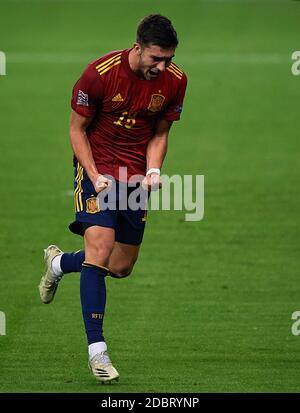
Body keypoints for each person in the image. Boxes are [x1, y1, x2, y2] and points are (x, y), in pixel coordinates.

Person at [38, 14, 187, 383]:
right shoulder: (99, 74)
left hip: (134, 177)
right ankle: (98, 352)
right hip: (97, 170)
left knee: (120, 266)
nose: (162, 66)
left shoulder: (176, 81)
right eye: (156, 58)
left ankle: (58, 264)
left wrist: (153, 169)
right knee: (100, 249)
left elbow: (160, 133)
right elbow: (76, 129)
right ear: (138, 48)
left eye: (168, 59)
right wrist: (92, 175)